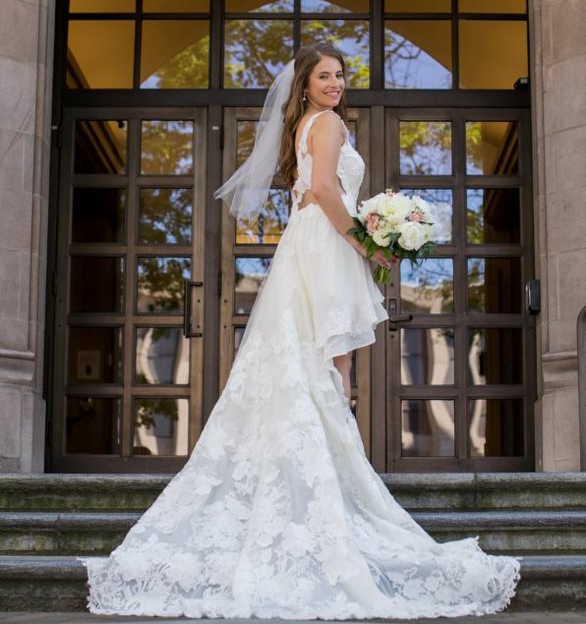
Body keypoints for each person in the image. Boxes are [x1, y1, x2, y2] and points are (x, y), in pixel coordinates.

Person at [78, 43, 520, 619]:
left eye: (340, 75)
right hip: (326, 246)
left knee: (314, 367)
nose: (336, 84)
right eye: (325, 76)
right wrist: (370, 245)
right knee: (333, 367)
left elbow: (310, 196)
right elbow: (330, 194)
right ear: (306, 86)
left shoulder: (306, 127)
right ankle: (329, 501)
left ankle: (320, 496)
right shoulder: (329, 124)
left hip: (307, 246)